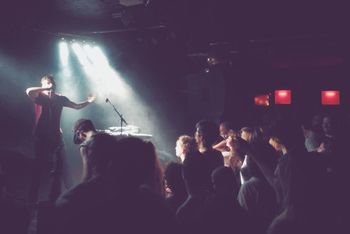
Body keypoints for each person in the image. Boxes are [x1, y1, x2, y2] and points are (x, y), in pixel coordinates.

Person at [26, 75, 96, 203]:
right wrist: (44, 88)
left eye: (52, 81)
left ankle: (55, 197)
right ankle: (32, 199)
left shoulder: (60, 98)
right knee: (38, 167)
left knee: (59, 167)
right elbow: (29, 91)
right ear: (44, 83)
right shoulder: (39, 96)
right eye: (48, 82)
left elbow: (76, 106)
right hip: (41, 136)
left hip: (56, 136)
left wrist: (88, 102)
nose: (51, 83)